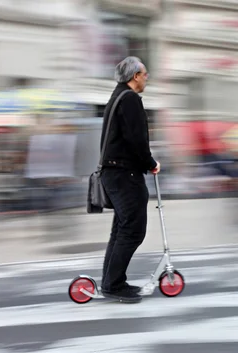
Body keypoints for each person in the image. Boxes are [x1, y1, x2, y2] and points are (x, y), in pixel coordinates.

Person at [99, 56, 160, 303]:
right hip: (125, 174)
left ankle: (112, 281)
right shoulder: (130, 99)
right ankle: (114, 284)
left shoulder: (116, 98)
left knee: (121, 230)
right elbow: (136, 140)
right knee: (133, 229)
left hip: (113, 173)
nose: (146, 78)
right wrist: (151, 163)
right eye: (145, 74)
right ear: (135, 76)